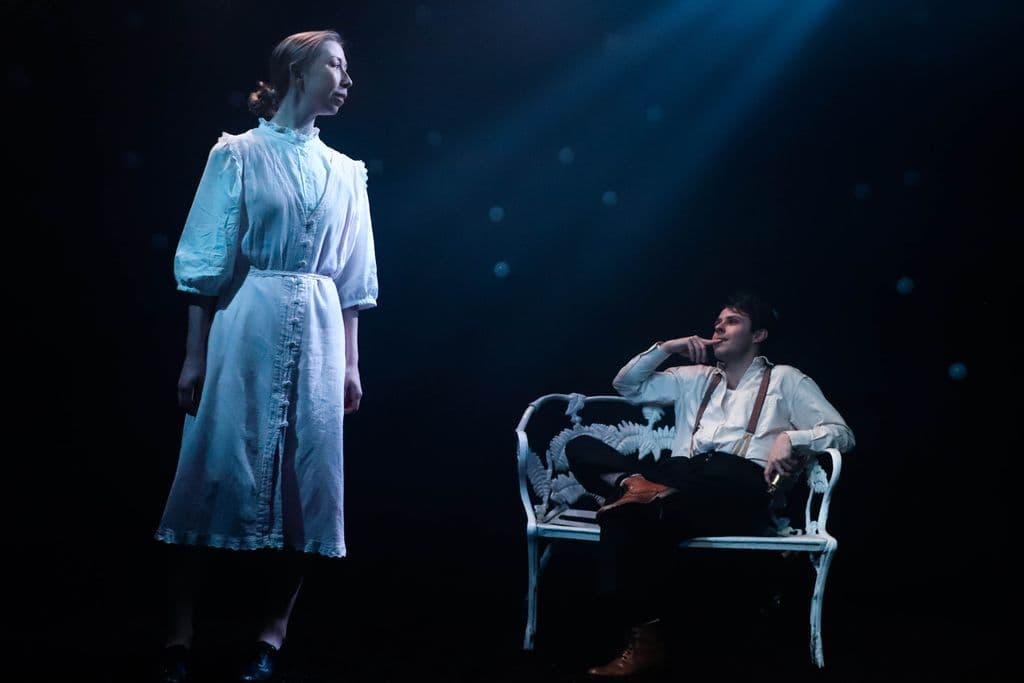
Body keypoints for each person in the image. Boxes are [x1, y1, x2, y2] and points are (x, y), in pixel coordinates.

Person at [152, 30, 378, 683]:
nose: (346, 79)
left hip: (319, 332)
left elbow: (354, 278)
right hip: (246, 322)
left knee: (308, 482)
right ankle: (178, 636)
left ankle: (270, 638)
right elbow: (205, 260)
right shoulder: (238, 154)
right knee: (212, 470)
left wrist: (351, 364)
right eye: (335, 65)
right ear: (297, 71)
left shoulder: (347, 172)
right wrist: (193, 356)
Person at [564, 292, 854, 678]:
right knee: (581, 448)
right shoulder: (694, 378)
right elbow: (627, 385)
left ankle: (643, 504)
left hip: (738, 483)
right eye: (718, 321)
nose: (719, 327)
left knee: (628, 515)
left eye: (732, 321)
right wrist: (668, 348)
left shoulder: (786, 380)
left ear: (759, 334)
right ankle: (638, 488)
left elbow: (842, 433)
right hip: (680, 477)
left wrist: (791, 438)